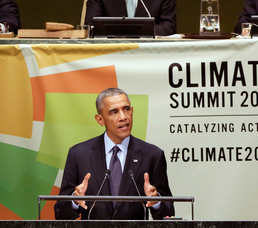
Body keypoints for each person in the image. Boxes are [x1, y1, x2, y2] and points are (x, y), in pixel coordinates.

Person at [54, 88, 174, 220]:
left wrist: (156, 201)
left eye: (126, 109)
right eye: (114, 112)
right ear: (100, 120)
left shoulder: (152, 155)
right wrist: (74, 201)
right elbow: (60, 213)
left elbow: (168, 212)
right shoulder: (79, 155)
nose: (123, 117)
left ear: (132, 111)